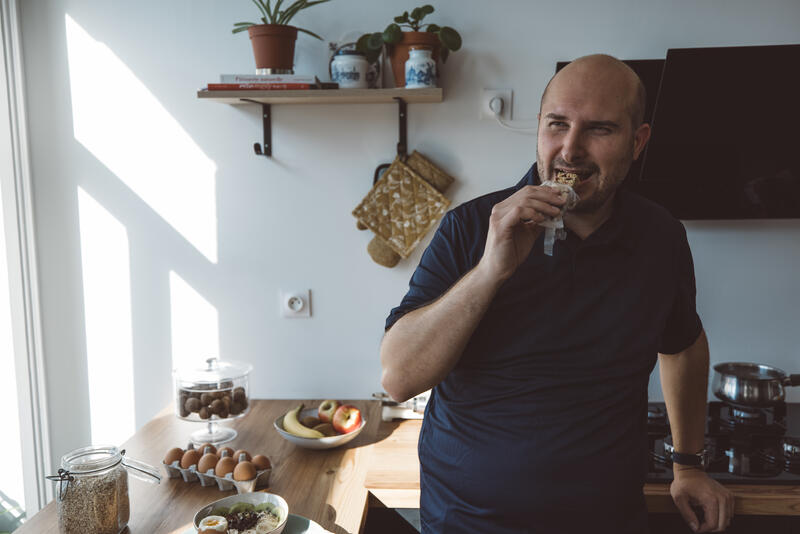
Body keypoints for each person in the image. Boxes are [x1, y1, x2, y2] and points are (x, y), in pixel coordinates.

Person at [380, 54, 734, 533]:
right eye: (557, 124)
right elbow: (399, 377)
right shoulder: (471, 227)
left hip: (607, 519)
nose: (570, 150)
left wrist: (687, 463)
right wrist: (490, 271)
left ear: (638, 142)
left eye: (600, 129)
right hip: (469, 521)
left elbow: (683, 342)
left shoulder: (661, 236)